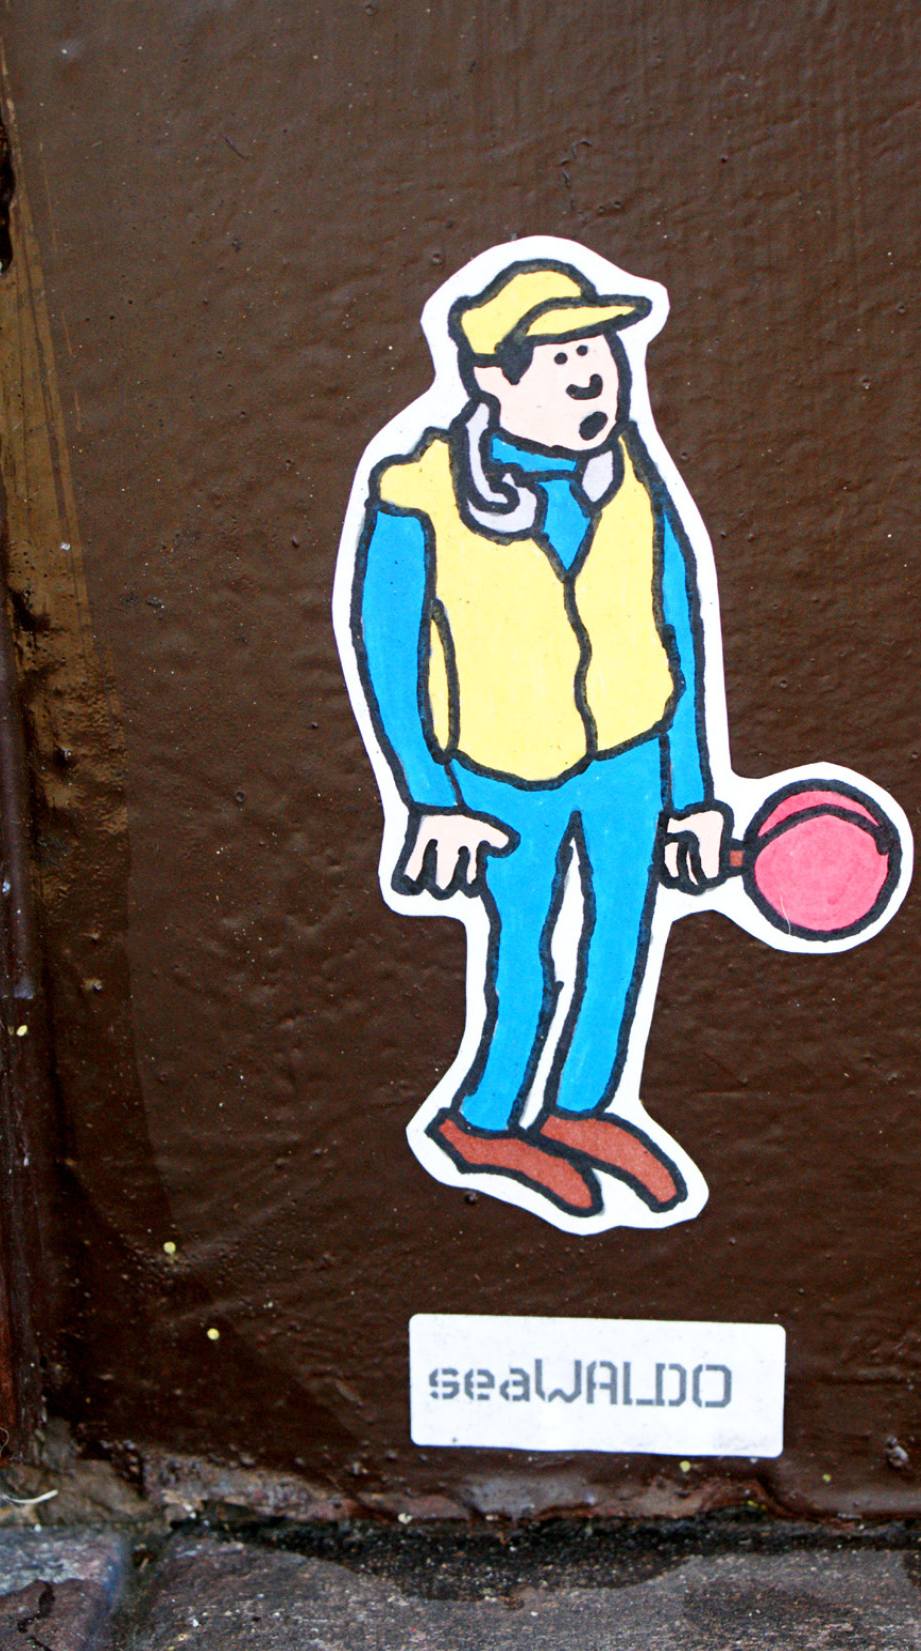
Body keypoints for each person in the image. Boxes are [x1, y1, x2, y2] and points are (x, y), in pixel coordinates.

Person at [351, 257, 728, 1223]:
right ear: (494, 377)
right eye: (564, 358)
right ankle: (482, 1119)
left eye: (599, 352)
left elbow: (678, 626)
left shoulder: (630, 473)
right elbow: (390, 654)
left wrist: (693, 794)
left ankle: (581, 1105)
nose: (594, 375)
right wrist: (430, 797)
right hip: (503, 770)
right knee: (525, 949)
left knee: (621, 935)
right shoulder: (418, 490)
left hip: (631, 752)